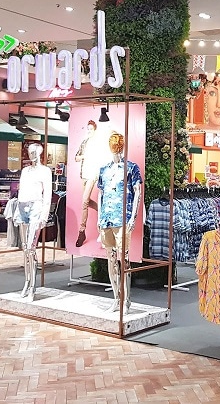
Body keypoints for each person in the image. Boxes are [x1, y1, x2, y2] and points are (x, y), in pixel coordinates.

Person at [97, 132, 143, 312]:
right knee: (111, 259)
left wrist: (133, 217)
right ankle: (116, 299)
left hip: (123, 219)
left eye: (118, 144)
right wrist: (100, 217)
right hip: (107, 219)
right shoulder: (104, 170)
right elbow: (100, 194)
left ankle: (127, 300)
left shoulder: (131, 168)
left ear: (122, 146)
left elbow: (138, 191)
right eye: (113, 144)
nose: (116, 147)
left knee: (124, 260)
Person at [15, 144, 53, 301]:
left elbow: (48, 194)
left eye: (33, 152)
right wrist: (18, 209)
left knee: (31, 247)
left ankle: (33, 286)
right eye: (29, 152)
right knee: (25, 248)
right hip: (23, 205)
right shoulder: (25, 171)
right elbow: (21, 191)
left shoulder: (45, 171)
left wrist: (44, 215)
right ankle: (27, 281)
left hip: (36, 207)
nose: (31, 154)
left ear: (40, 153)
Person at [74, 120, 98, 247]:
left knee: (84, 202)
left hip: (92, 175)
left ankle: (81, 231)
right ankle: (101, 209)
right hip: (83, 174)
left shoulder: (97, 144)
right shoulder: (84, 142)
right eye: (87, 129)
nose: (89, 131)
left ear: (95, 130)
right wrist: (84, 156)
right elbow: (76, 157)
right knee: (87, 201)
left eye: (91, 129)